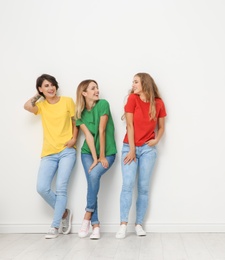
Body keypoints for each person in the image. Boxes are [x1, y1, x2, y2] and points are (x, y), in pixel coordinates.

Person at [24, 74, 78, 239]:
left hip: (67, 151)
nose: (50, 88)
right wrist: (38, 96)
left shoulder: (67, 101)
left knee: (61, 188)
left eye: (52, 84)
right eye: (46, 86)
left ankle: (54, 226)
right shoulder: (41, 105)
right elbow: (26, 106)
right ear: (40, 89)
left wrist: (74, 138)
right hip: (48, 153)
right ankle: (64, 213)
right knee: (42, 188)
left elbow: (77, 121)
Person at [116, 73, 167, 239]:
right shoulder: (132, 99)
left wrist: (156, 140)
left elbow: (161, 126)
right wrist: (132, 150)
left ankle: (138, 224)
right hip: (129, 147)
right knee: (127, 185)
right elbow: (129, 126)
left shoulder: (158, 103)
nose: (133, 84)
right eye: (133, 82)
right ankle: (123, 224)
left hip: (147, 149)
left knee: (144, 187)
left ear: (145, 83)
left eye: (136, 81)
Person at [75, 80, 117, 240]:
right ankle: (96, 226)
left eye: (97, 87)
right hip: (87, 153)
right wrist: (94, 158)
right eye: (93, 88)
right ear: (84, 93)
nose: (97, 90)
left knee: (93, 178)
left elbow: (102, 130)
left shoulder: (103, 104)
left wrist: (101, 157)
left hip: (107, 153)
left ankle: (87, 216)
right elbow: (89, 137)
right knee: (93, 181)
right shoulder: (80, 113)